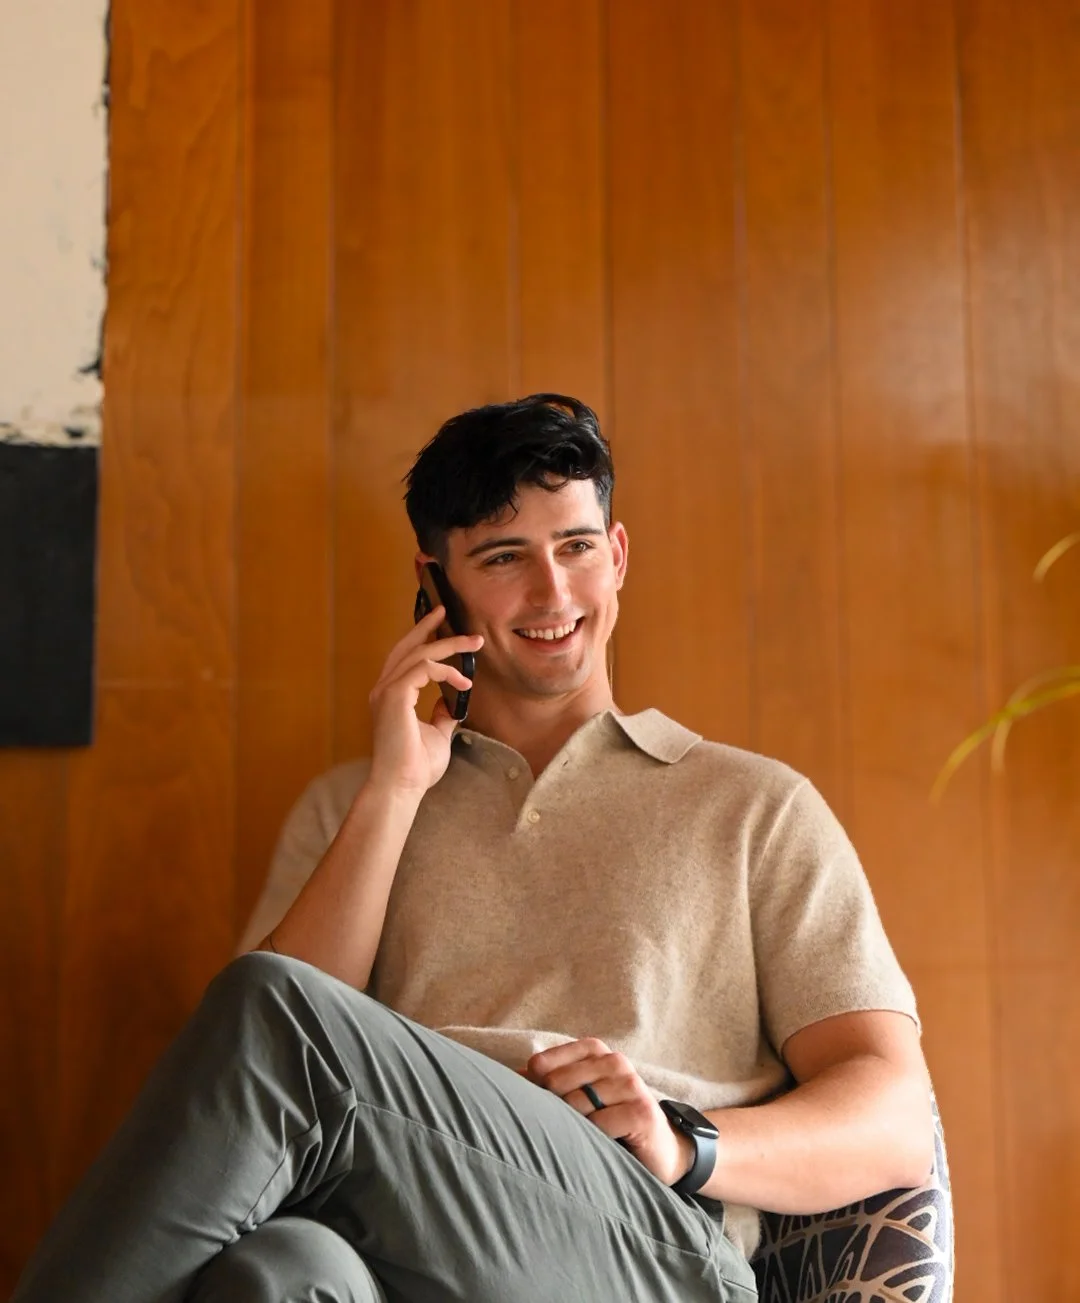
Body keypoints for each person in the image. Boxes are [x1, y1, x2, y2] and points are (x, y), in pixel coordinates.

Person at [14, 394, 933, 1303]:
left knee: (281, 1016)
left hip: (649, 1250)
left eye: (575, 547)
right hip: (397, 1247)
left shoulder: (754, 805)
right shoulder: (355, 806)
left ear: (616, 557)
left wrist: (688, 1140)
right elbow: (253, 1071)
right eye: (503, 557)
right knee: (279, 1272)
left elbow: (891, 1117)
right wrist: (397, 788)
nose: (553, 593)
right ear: (436, 579)